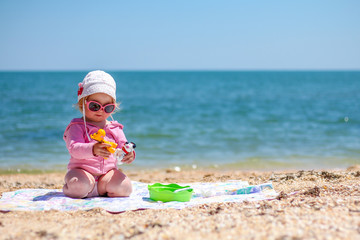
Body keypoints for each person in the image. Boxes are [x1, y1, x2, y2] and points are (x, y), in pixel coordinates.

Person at [62, 70, 135, 198]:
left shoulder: (115, 128)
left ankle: (101, 190)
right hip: (82, 173)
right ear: (82, 103)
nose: (101, 111)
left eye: (107, 107)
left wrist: (128, 154)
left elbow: (123, 145)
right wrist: (93, 149)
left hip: (106, 176)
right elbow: (74, 149)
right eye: (95, 106)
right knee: (78, 186)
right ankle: (71, 188)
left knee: (125, 188)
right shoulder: (77, 126)